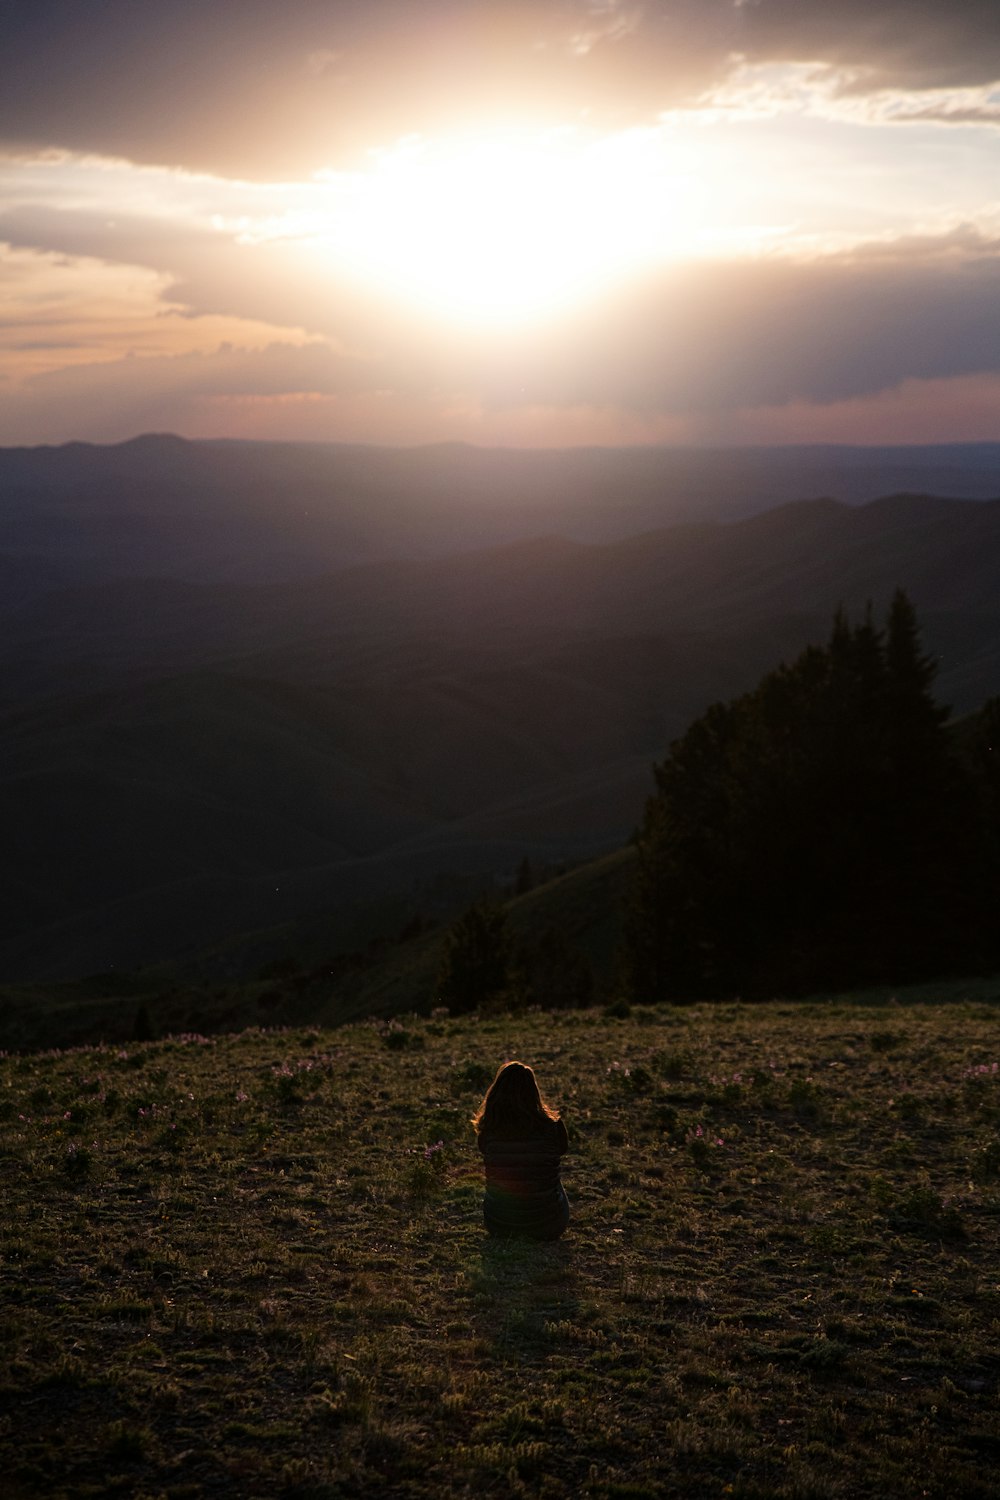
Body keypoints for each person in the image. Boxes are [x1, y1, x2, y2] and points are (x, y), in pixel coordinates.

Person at [472, 1060, 569, 1240]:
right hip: (548, 1225)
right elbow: (562, 1149)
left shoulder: (490, 1127)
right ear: (533, 1092)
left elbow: (484, 1150)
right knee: (552, 1178)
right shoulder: (551, 1126)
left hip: (500, 1226)